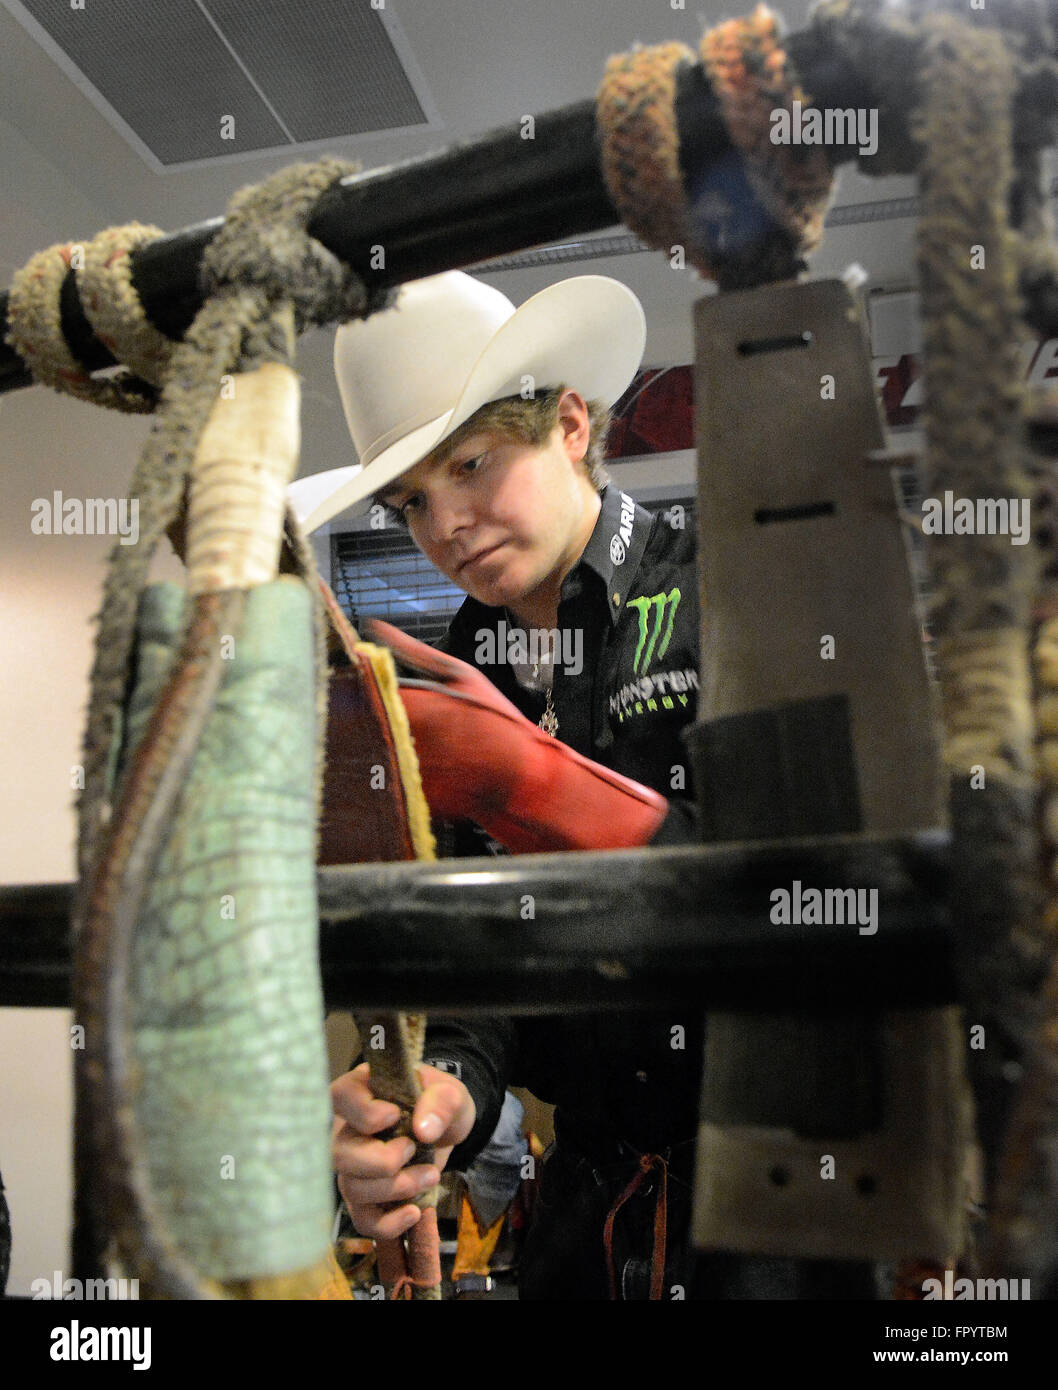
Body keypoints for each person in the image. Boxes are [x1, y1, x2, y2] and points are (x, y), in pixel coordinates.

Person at [310, 270, 708, 1299]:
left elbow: (808, 909)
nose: (442, 526)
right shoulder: (455, 666)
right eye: (409, 504)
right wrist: (441, 1091)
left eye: (474, 464)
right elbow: (479, 961)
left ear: (569, 423)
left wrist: (525, 780)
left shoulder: (724, 589)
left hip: (769, 1203)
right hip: (580, 1205)